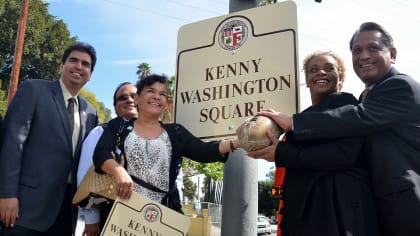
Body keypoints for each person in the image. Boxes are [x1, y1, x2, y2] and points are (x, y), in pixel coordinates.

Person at [254, 22, 420, 236]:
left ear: (393, 54)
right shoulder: (366, 98)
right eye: (357, 50)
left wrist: (293, 126)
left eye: (374, 48)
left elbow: (356, 121)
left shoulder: (400, 86)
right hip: (372, 207)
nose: (364, 56)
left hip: (400, 206)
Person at [247, 51, 380, 236]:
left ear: (340, 77)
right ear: (307, 80)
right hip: (302, 216)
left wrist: (281, 153)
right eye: (313, 70)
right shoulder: (298, 119)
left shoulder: (347, 105)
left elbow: (343, 155)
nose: (321, 73)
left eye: (329, 68)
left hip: (337, 214)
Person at [93, 74, 240, 213]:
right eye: (151, 91)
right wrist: (119, 171)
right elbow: (101, 152)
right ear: (137, 98)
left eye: (162, 94)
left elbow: (204, 150)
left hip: (165, 214)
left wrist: (239, 142)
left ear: (166, 103)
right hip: (127, 211)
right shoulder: (118, 126)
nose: (157, 96)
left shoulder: (175, 132)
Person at [0, 42, 99, 236]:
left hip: (66, 212)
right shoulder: (34, 90)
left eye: (85, 64)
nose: (79, 67)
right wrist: (6, 194)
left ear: (91, 74)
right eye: (73, 60)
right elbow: (12, 143)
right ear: (62, 66)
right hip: (25, 208)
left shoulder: (91, 111)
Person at [77, 82, 137, 236]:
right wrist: (92, 219)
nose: (129, 100)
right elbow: (85, 174)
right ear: (116, 107)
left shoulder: (158, 134)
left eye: (134, 96)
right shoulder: (100, 132)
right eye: (123, 97)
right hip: (111, 214)